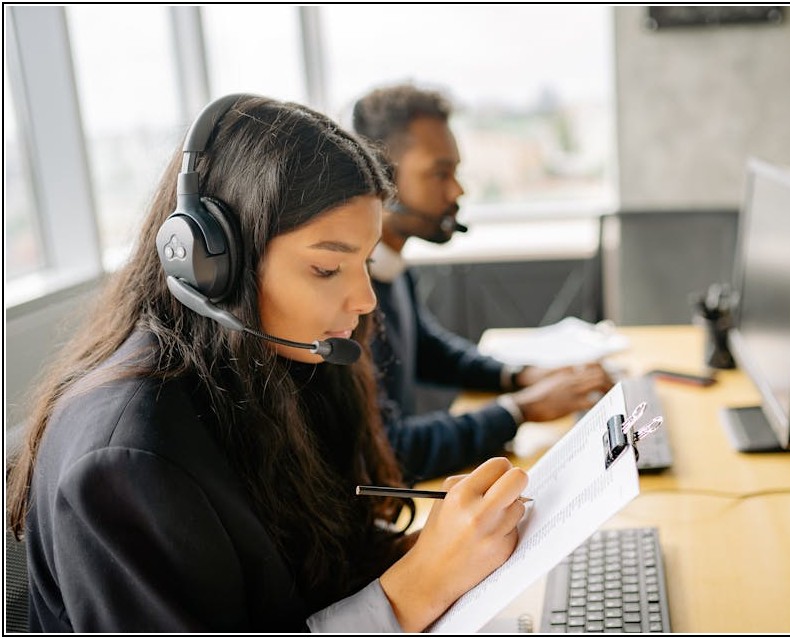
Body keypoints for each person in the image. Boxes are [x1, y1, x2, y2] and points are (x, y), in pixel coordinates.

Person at [5, 94, 528, 633]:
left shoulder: (281, 365)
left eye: (365, 260)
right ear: (216, 265)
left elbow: (310, 583)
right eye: (327, 268)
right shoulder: (126, 459)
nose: (366, 298)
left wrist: (446, 548)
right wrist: (416, 589)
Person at [351, 83, 614, 482]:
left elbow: (428, 349)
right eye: (440, 173)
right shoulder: (351, 299)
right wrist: (519, 409)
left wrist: (520, 376)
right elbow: (389, 449)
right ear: (381, 178)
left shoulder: (390, 266)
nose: (457, 190)